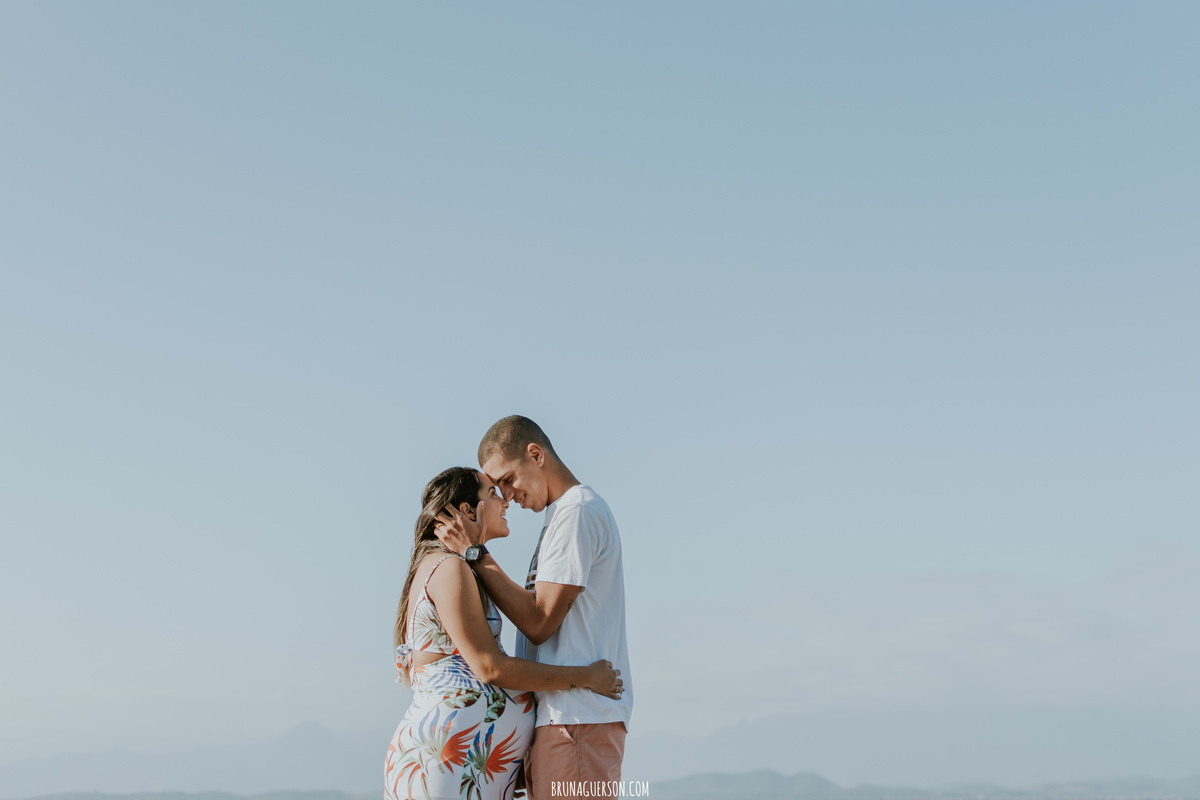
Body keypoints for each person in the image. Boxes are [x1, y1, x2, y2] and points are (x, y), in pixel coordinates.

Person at [386, 466, 622, 800]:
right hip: (449, 758)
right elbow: (489, 667)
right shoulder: (450, 567)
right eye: (493, 493)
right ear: (469, 510)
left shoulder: (455, 566)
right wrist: (585, 677)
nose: (506, 499)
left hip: (465, 760)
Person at [435, 416, 633, 800]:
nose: (507, 496)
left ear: (535, 454)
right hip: (565, 720)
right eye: (497, 488)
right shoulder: (561, 517)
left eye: (508, 480)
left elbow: (539, 621)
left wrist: (475, 555)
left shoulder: (577, 513)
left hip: (578, 720)